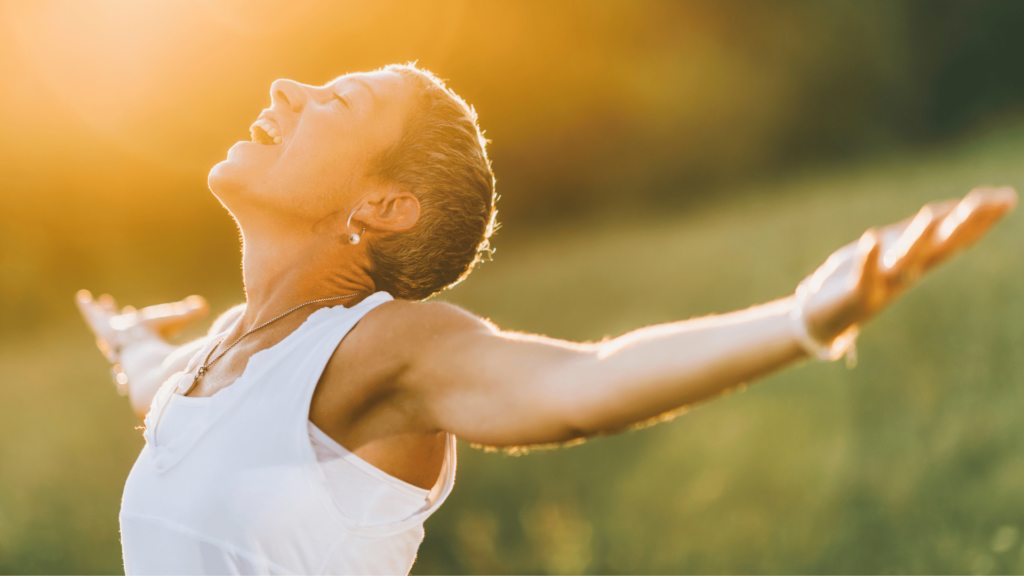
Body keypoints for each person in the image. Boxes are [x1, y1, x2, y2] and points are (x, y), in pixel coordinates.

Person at [76, 63, 1017, 575]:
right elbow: (161, 390)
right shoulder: (218, 360)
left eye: (338, 101)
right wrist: (131, 341)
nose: (286, 90)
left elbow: (584, 385)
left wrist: (805, 318)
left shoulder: (381, 347)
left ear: (385, 206)